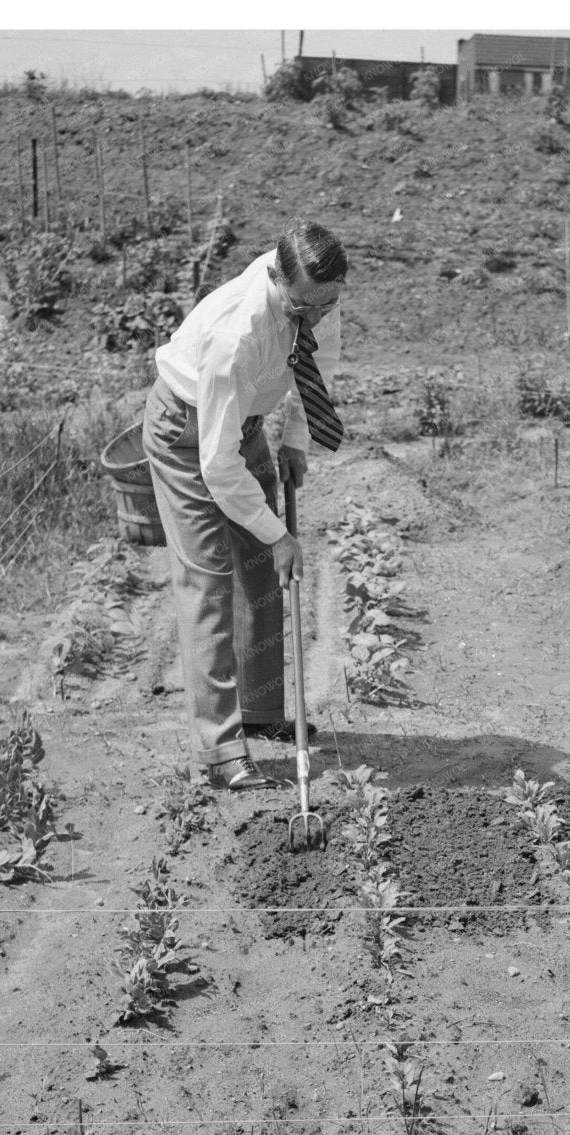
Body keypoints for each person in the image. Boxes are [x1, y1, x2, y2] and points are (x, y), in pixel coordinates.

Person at [142, 221, 347, 790]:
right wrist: (279, 532)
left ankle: (259, 712)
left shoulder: (318, 295)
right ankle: (221, 750)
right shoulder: (240, 332)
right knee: (209, 580)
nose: (316, 315)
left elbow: (314, 371)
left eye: (327, 304)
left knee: (260, 571)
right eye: (304, 305)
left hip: (245, 423)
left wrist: (298, 442)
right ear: (276, 278)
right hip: (187, 434)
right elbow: (216, 462)